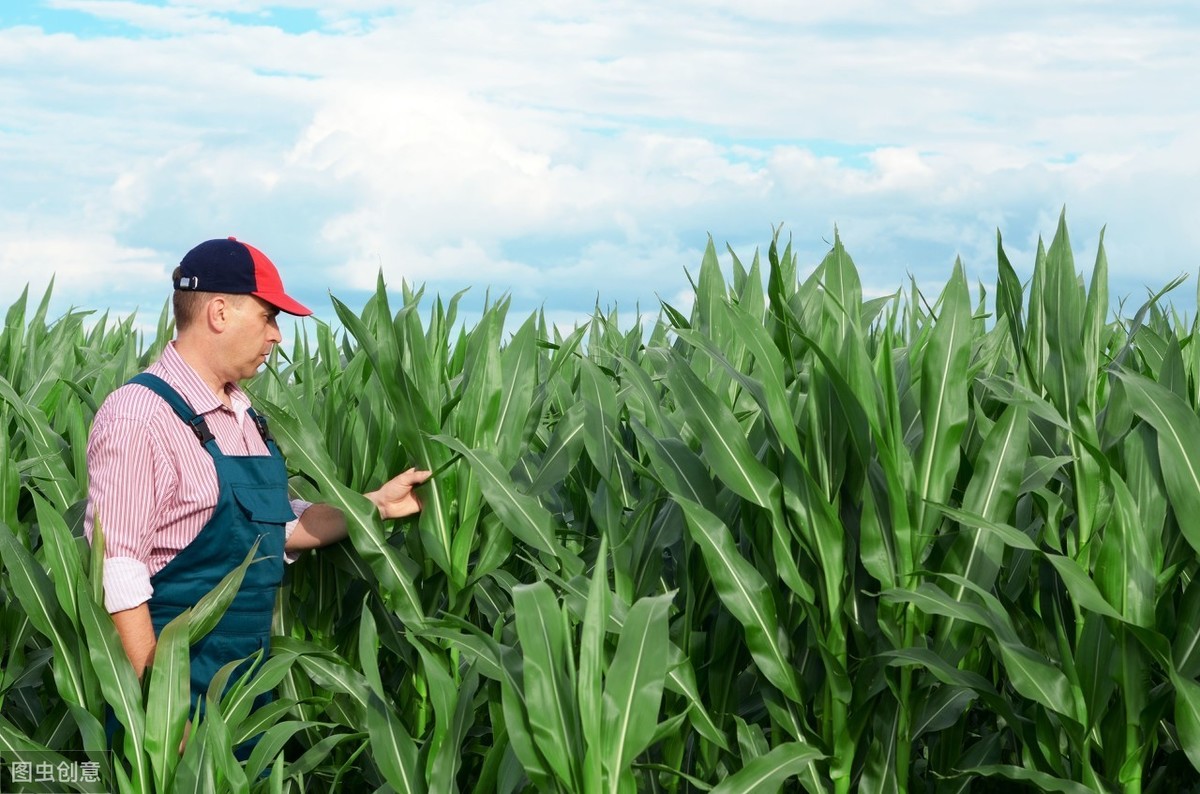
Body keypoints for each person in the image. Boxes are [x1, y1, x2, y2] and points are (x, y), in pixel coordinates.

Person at [84, 237, 430, 745]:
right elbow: (117, 572)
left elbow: (274, 527)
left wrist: (372, 506)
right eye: (269, 317)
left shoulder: (244, 415)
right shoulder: (140, 415)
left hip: (248, 694)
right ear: (219, 313)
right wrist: (162, 715)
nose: (277, 337)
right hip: (172, 697)